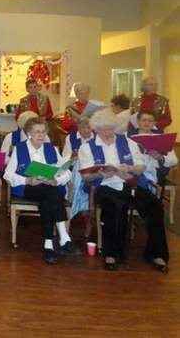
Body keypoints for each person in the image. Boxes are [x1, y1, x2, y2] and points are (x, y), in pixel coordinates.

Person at [79, 110, 169, 272]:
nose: (108, 133)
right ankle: (112, 254)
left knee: (155, 206)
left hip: (130, 183)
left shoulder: (128, 142)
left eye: (110, 128)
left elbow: (141, 166)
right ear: (96, 130)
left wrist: (130, 168)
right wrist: (100, 174)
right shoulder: (87, 147)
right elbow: (86, 175)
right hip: (105, 185)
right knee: (113, 206)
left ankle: (156, 253)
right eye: (103, 129)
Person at [4, 117, 81, 265]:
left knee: (49, 198)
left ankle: (48, 244)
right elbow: (8, 174)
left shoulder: (51, 148)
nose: (40, 135)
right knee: (54, 194)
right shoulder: (20, 148)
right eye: (36, 132)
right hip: (28, 187)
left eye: (43, 132)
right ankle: (64, 238)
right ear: (29, 133)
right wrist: (27, 180)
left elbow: (65, 171)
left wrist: (56, 180)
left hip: (49, 188)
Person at [128, 109, 178, 188]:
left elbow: (174, 160)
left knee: (155, 181)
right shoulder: (128, 135)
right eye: (144, 120)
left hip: (157, 170)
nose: (147, 123)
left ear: (154, 123)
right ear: (138, 121)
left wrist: (160, 158)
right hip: (135, 169)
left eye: (150, 121)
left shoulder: (162, 136)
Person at [63, 116, 95, 221]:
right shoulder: (70, 138)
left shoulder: (96, 138)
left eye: (89, 127)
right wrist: (74, 157)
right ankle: (81, 209)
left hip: (92, 170)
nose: (86, 130)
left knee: (81, 177)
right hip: (74, 168)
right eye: (83, 127)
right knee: (78, 175)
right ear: (78, 127)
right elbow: (66, 159)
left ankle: (75, 210)